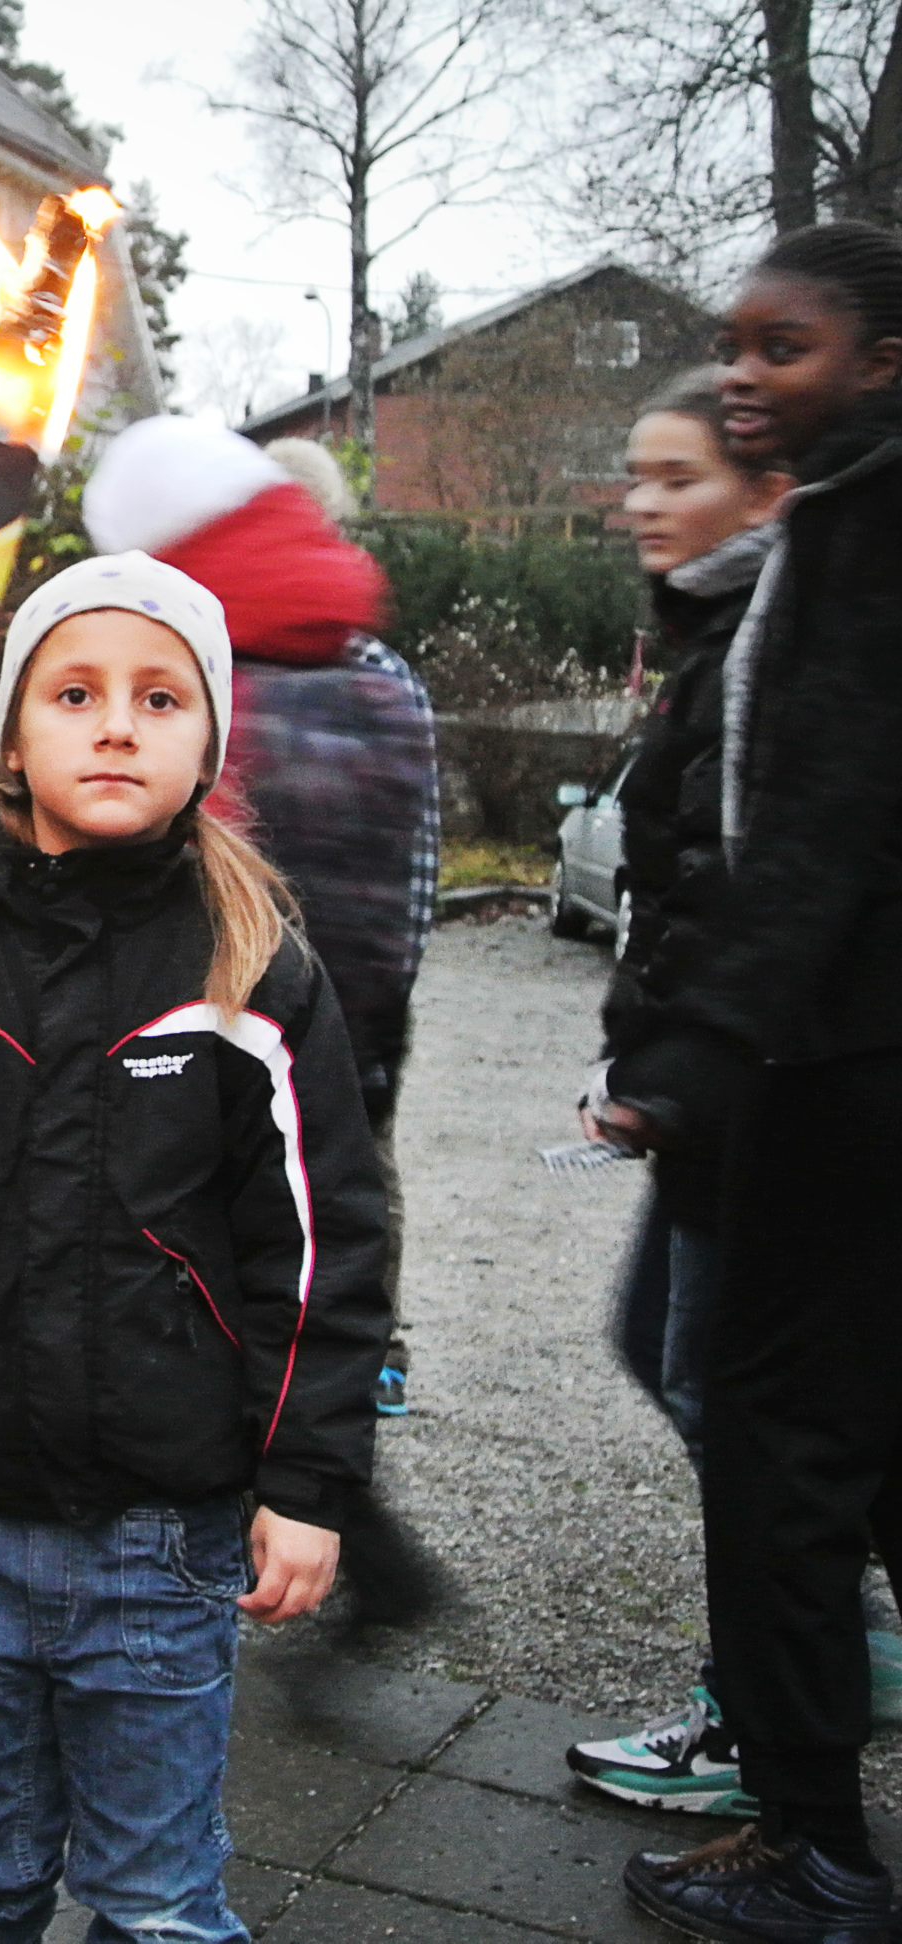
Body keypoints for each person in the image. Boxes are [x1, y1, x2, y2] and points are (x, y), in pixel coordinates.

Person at [0, 554, 393, 1944]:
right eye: (76, 691)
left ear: (209, 738)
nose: (117, 724)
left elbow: (322, 1248)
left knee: (157, 1898)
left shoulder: (251, 967)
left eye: (159, 697)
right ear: (12, 732)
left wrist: (307, 1480)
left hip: (163, 1540)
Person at [621, 222, 902, 1944]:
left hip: (836, 1068)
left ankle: (813, 1842)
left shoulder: (864, 533)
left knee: (777, 1448)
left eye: (782, 346)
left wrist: (707, 1048)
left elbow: (815, 821)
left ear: (877, 362)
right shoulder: (824, 523)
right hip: (837, 1053)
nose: (744, 370)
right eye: (735, 341)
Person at [84, 416, 433, 1415]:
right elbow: (412, 867)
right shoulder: (380, 679)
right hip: (354, 1030)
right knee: (337, 1219)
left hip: (216, 1045)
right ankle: (346, 1384)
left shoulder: (199, 687)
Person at [558, 370, 791, 1821]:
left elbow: (741, 889)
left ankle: (766, 1713)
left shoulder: (773, 639)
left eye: (678, 476)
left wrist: (675, 1068)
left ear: (765, 490)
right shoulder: (715, 628)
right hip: (711, 1098)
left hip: (752, 1107)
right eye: (634, 475)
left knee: (737, 1400)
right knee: (673, 1352)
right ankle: (813, 1659)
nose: (643, 501)